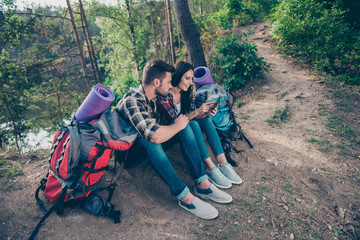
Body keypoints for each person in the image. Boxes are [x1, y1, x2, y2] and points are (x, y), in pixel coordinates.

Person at [117, 59, 233, 220]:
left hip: (153, 143)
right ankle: (185, 197)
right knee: (152, 141)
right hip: (130, 154)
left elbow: (174, 123)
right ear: (156, 82)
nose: (171, 85)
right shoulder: (133, 100)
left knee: (184, 126)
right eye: (169, 82)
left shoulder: (155, 97)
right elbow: (154, 135)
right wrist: (179, 124)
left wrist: (186, 121)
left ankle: (203, 183)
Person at [157, 61, 242, 189]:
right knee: (194, 125)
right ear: (178, 75)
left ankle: (223, 164)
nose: (190, 82)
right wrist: (197, 112)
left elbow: (194, 116)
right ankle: (210, 167)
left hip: (186, 125)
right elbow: (176, 121)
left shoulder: (186, 93)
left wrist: (205, 113)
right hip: (172, 131)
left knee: (207, 120)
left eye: (191, 79)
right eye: (187, 78)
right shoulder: (166, 94)